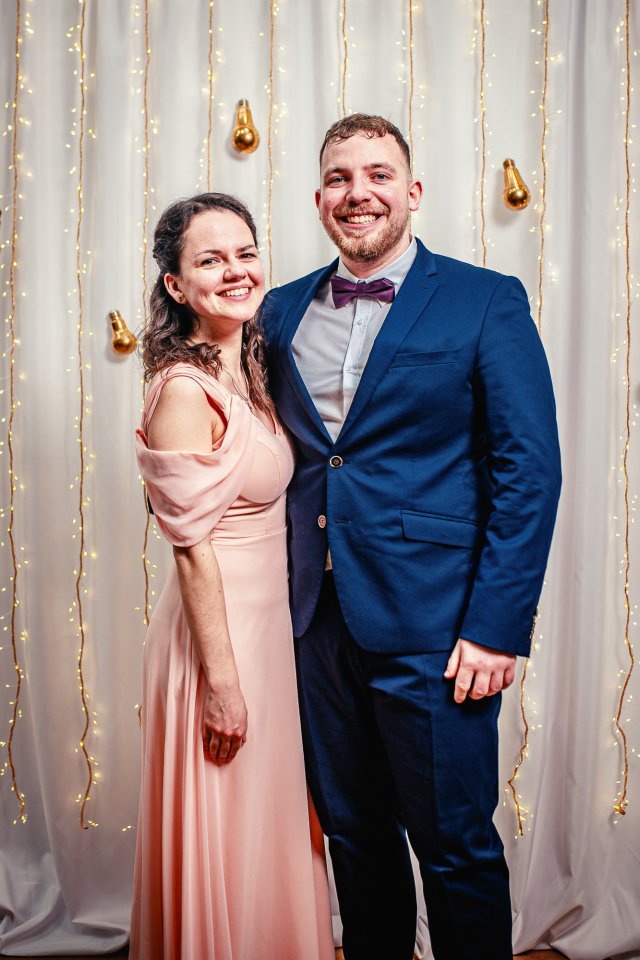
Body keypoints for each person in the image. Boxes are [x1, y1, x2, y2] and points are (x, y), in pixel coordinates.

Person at [261, 115, 562, 960]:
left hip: (439, 628)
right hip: (313, 624)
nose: (358, 193)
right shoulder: (276, 311)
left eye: (378, 174)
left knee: (455, 847)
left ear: (412, 191)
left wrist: (496, 626)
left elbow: (529, 471)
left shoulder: (485, 299)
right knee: (354, 839)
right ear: (319, 197)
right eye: (339, 177)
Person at [129, 192, 334, 960]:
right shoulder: (185, 390)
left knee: (263, 831)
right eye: (210, 259)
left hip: (268, 638)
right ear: (176, 285)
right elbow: (191, 549)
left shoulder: (249, 366)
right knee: (224, 828)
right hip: (219, 648)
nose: (236, 270)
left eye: (245, 252)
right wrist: (221, 683)